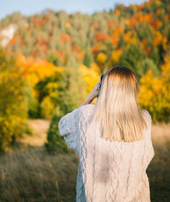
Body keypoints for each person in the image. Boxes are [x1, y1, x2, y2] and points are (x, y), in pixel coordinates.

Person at [58, 66, 155, 202]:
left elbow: (64, 126)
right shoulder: (144, 119)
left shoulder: (87, 115)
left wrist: (91, 95)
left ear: (105, 87)